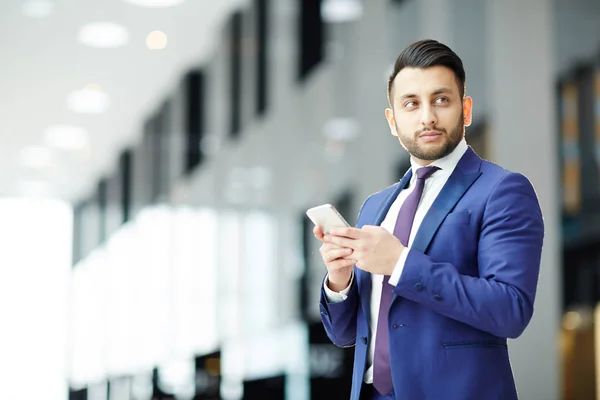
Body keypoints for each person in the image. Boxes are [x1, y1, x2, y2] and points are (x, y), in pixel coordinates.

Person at [313, 39, 544, 400]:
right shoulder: (376, 207)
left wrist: (400, 262)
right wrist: (339, 281)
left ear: (465, 109)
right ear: (392, 120)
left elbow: (510, 309)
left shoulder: (502, 190)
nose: (427, 117)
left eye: (441, 100)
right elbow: (346, 336)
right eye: (411, 104)